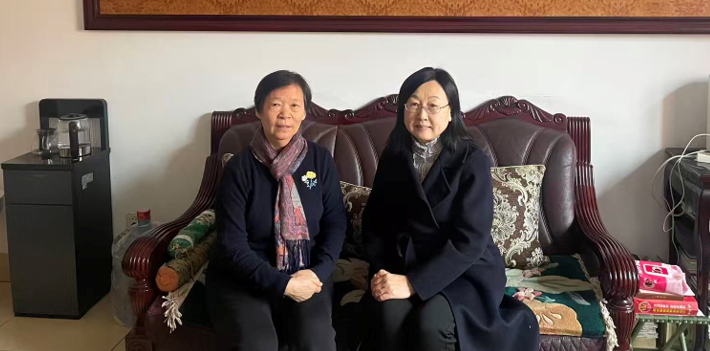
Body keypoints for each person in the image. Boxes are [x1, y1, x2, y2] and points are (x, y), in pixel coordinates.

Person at [361, 67, 541, 351]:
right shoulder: (393, 156)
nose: (422, 115)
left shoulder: (471, 160)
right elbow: (375, 225)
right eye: (413, 104)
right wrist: (384, 274)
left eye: (432, 106)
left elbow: (469, 240)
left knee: (431, 323)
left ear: (451, 112)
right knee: (388, 315)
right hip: (404, 265)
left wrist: (414, 284)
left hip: (463, 270)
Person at [207, 70, 346, 351]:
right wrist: (282, 284)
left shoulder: (320, 161)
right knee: (258, 344)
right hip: (244, 276)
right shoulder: (239, 169)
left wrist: (317, 273)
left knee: (316, 341)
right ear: (259, 110)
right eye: (275, 104)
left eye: (294, 105)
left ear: (304, 112)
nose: (285, 114)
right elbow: (232, 245)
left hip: (306, 271)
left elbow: (335, 223)